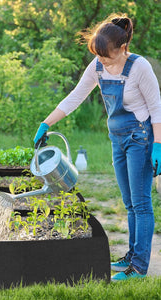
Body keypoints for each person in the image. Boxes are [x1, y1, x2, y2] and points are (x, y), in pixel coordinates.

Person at [33, 13, 161, 282]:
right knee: (129, 203)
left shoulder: (140, 68)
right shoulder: (98, 65)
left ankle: (138, 267)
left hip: (141, 139)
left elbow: (157, 110)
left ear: (123, 48)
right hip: (117, 138)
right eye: (98, 56)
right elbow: (76, 97)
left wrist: (158, 146)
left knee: (141, 204)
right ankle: (132, 256)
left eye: (106, 56)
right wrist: (46, 123)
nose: (101, 61)